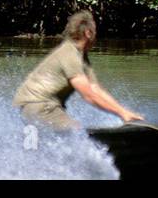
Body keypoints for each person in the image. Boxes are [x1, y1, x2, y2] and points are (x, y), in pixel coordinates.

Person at [13, 10, 144, 130]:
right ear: (88, 33)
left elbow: (95, 89)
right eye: (95, 31)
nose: (96, 35)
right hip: (41, 107)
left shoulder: (81, 56)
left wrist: (124, 112)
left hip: (37, 107)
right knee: (77, 132)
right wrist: (122, 113)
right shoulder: (70, 54)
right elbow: (88, 95)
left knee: (70, 135)